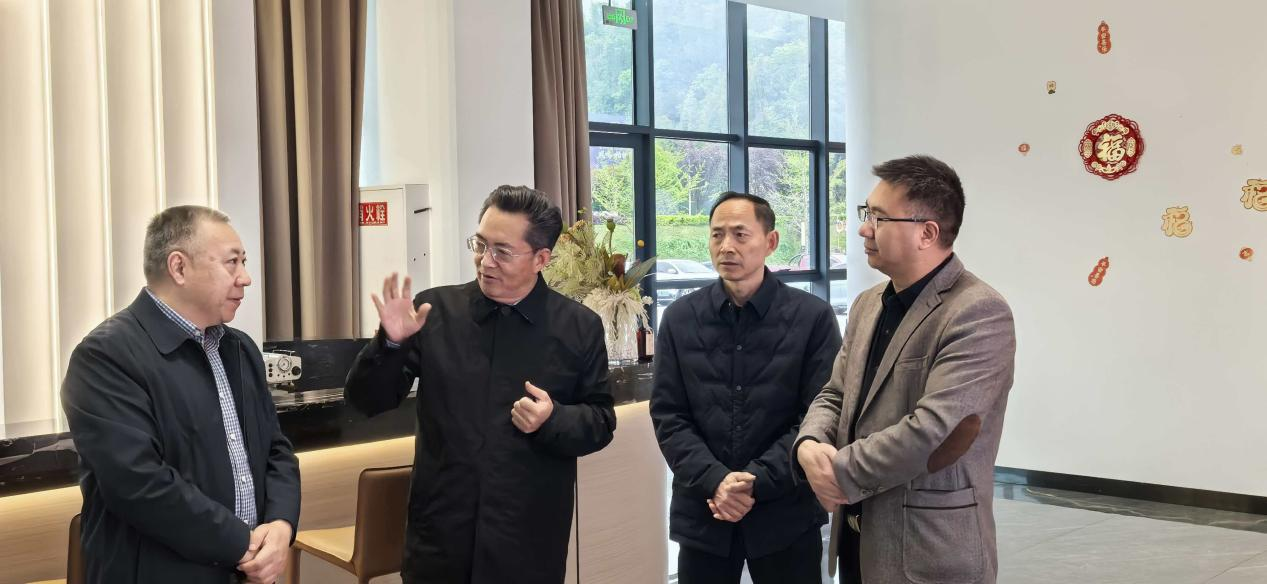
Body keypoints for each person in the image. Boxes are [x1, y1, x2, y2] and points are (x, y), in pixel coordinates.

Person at [344, 185, 617, 583]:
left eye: (502, 251)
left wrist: (553, 419)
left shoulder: (578, 327)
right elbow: (367, 401)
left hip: (527, 542)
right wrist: (390, 344)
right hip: (440, 538)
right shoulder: (436, 311)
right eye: (480, 245)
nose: (485, 261)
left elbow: (601, 421)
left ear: (541, 259)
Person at [794, 155, 1016, 584]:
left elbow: (935, 430)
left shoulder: (978, 312)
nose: (864, 229)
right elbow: (835, 393)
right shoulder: (867, 304)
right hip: (857, 539)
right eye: (866, 214)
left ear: (927, 233)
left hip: (927, 548)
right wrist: (809, 444)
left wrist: (835, 471)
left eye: (878, 218)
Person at [61, 205, 301, 584]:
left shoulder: (239, 348)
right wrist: (243, 545)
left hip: (244, 572)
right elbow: (138, 484)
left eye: (244, 262)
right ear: (179, 267)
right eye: (232, 262)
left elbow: (276, 449)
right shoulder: (106, 355)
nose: (246, 278)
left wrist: (281, 525)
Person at [651, 192, 841, 584]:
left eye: (740, 234)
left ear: (771, 242)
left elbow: (819, 415)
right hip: (705, 511)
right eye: (717, 234)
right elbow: (669, 415)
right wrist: (716, 481)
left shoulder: (812, 318)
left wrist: (753, 482)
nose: (726, 246)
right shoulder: (680, 318)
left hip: (785, 512)